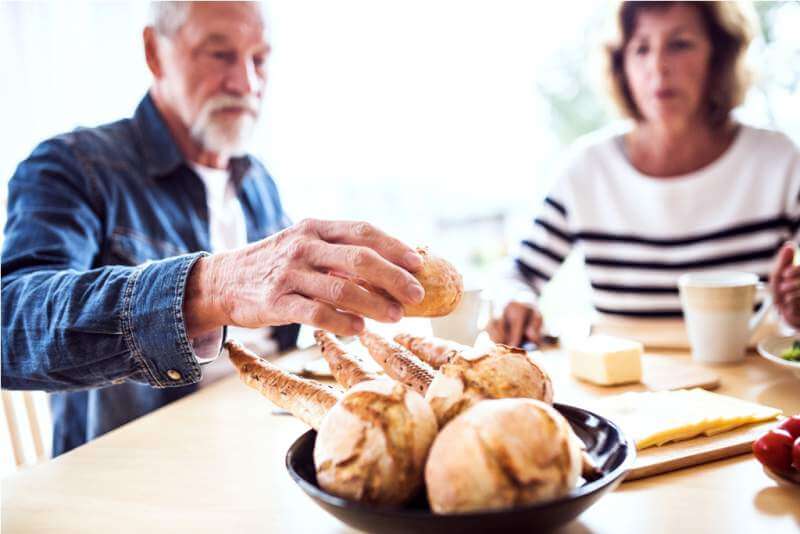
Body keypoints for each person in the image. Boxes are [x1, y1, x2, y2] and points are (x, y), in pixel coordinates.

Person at [1, 1, 426, 456]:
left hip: (265, 447)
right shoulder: (73, 166)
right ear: (154, 52)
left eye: (259, 59)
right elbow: (10, 323)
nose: (246, 83)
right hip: (141, 474)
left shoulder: (256, 181)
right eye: (219, 54)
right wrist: (211, 290)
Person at [489, 0, 800, 347]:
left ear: (719, 56)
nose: (658, 66)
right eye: (641, 49)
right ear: (621, 65)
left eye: (680, 44)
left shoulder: (779, 162)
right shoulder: (587, 169)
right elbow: (516, 273)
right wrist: (514, 299)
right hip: (621, 394)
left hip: (757, 391)